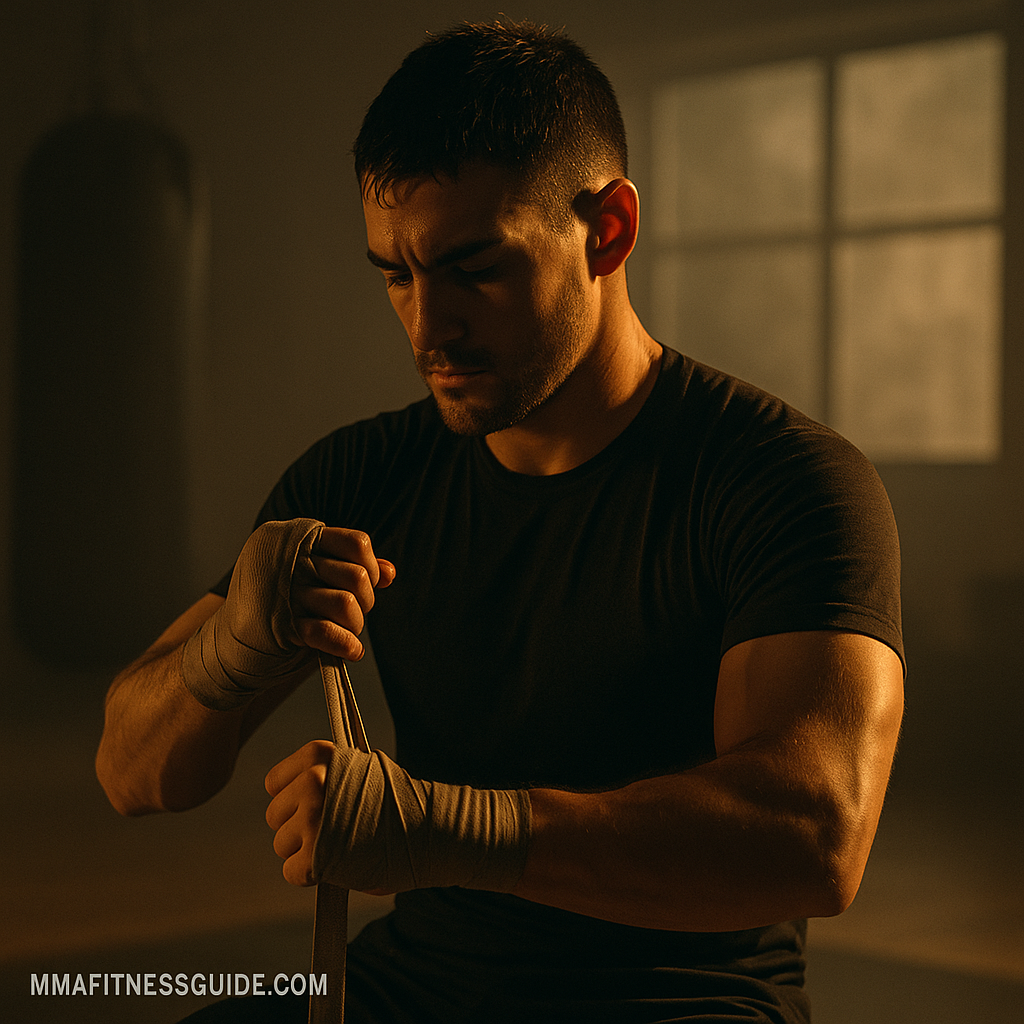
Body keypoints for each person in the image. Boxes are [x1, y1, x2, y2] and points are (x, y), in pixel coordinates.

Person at [96, 19, 905, 1024]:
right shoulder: (363, 475)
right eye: (396, 272)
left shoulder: (784, 480)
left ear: (606, 231)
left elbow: (814, 836)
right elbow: (130, 772)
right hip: (415, 985)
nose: (428, 328)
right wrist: (228, 651)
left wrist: (446, 831)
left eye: (473, 267)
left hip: (680, 1002)